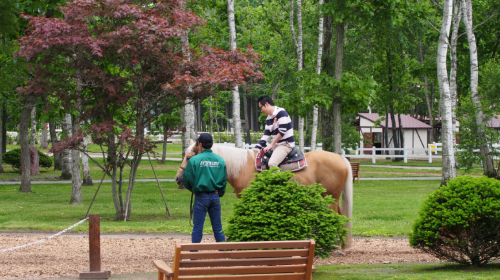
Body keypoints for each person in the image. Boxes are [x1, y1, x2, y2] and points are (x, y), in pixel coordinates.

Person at [182, 133, 227, 244]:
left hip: (201, 197)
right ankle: (223, 255)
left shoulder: (194, 160)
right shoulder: (220, 160)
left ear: (200, 144)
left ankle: (194, 256)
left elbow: (187, 178)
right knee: (218, 227)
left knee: (197, 228)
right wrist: (219, 193)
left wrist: (193, 188)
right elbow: (224, 180)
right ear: (212, 144)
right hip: (215, 197)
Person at [255, 95, 295, 168]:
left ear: (266, 104)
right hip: (276, 145)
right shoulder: (268, 118)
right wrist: (256, 148)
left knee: (272, 164)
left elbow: (282, 132)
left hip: (285, 144)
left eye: (261, 107)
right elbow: (266, 135)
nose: (261, 110)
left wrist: (271, 144)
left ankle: (280, 179)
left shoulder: (281, 112)